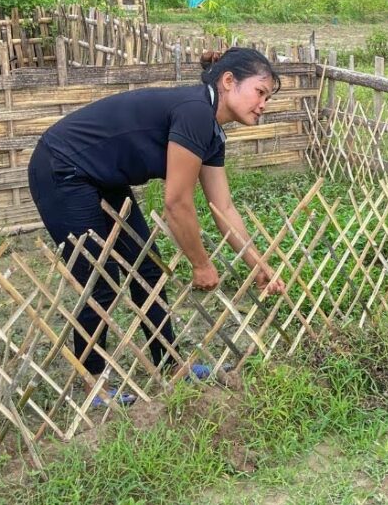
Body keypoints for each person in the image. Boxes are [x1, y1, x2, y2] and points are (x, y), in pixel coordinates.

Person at [27, 47, 286, 402]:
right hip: (62, 168)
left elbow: (221, 205)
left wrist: (256, 262)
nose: (263, 104)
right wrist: (201, 264)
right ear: (228, 81)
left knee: (147, 269)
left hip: (103, 177)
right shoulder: (195, 112)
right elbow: (176, 203)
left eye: (268, 98)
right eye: (260, 91)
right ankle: (93, 383)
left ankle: (170, 363)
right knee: (99, 279)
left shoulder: (211, 132)